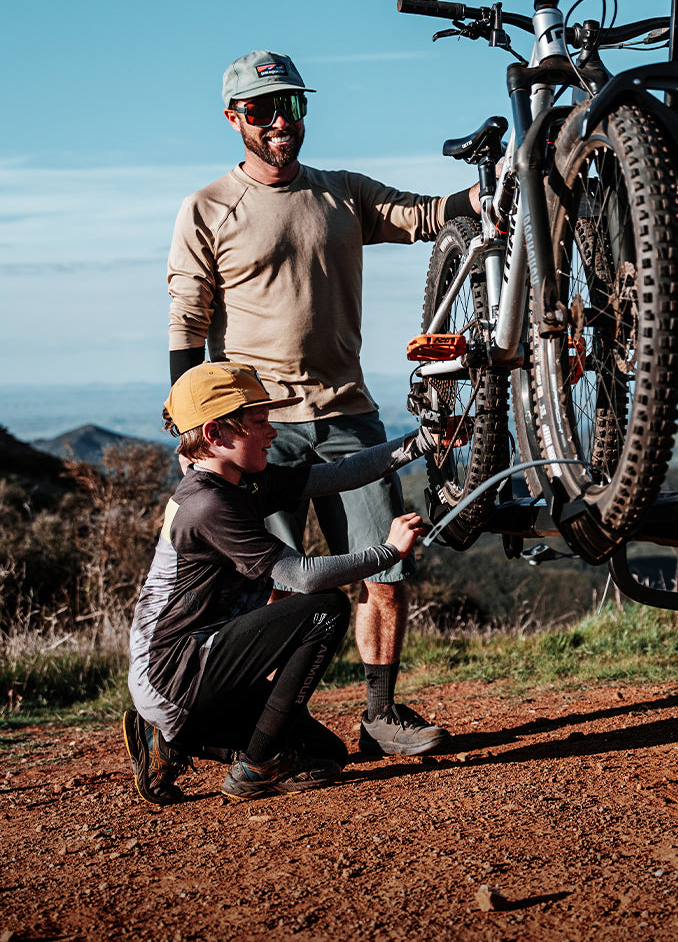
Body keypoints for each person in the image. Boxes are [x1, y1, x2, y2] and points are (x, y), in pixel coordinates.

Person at [167, 50, 478, 757]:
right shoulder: (209, 207)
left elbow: (424, 216)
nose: (280, 121)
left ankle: (380, 715)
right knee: (270, 592)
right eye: (261, 110)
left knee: (385, 571)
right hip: (254, 429)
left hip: (346, 412)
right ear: (233, 118)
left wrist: (483, 194)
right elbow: (187, 325)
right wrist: (194, 437)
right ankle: (264, 727)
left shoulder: (342, 192)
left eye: (292, 106)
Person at [124, 361, 440, 805]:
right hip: (176, 669)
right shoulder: (209, 504)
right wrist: (387, 552)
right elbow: (301, 576)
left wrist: (420, 443)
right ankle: (256, 767)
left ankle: (168, 738)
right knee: (325, 608)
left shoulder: (239, 480)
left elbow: (335, 475)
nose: (272, 432)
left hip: (195, 667)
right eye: (259, 422)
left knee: (326, 753)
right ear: (215, 434)